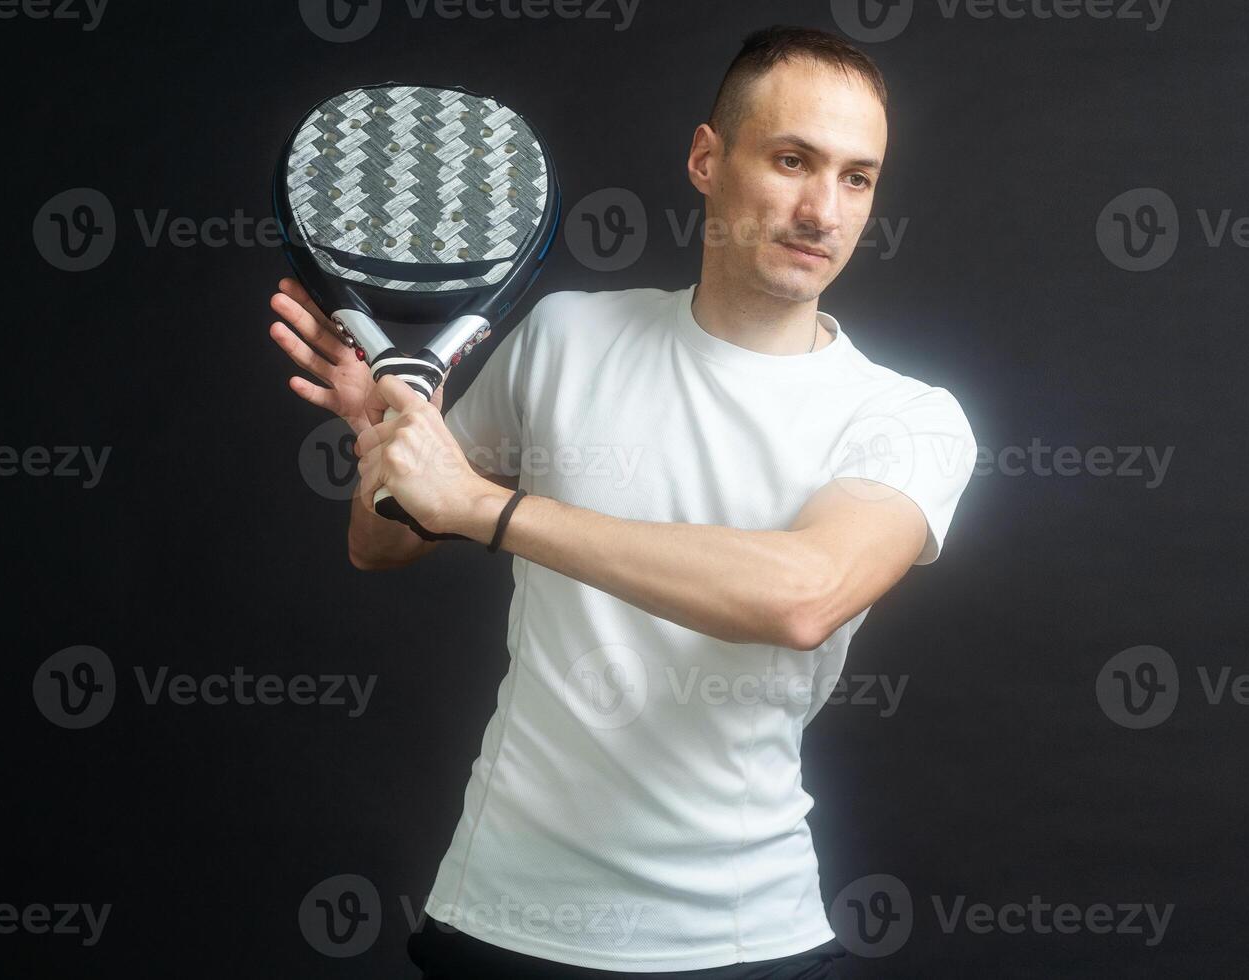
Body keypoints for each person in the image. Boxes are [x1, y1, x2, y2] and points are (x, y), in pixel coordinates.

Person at [268, 24, 978, 979]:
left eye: (857, 177)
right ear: (707, 158)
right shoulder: (567, 336)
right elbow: (383, 546)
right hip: (500, 917)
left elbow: (803, 596)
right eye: (792, 160)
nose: (822, 208)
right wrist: (393, 441)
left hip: (740, 935)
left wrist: (488, 508)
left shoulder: (910, 418)